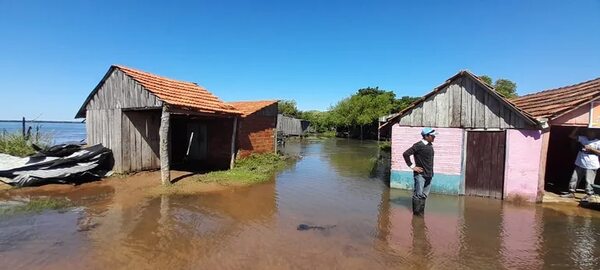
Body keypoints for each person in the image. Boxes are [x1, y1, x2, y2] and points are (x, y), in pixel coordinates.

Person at [402, 127, 436, 216]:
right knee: (418, 195)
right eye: (433, 136)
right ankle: (416, 217)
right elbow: (406, 154)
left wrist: (431, 173)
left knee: (424, 195)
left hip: (429, 174)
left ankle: (421, 215)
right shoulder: (418, 145)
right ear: (426, 136)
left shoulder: (429, 145)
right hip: (420, 175)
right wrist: (413, 166)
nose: (434, 137)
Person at [562, 127, 599, 200]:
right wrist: (577, 127)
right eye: (588, 132)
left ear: (595, 133)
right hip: (580, 163)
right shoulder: (583, 138)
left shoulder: (598, 142)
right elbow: (571, 136)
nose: (589, 133)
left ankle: (589, 195)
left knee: (589, 181)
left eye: (591, 132)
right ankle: (571, 192)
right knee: (574, 178)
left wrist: (591, 149)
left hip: (592, 165)